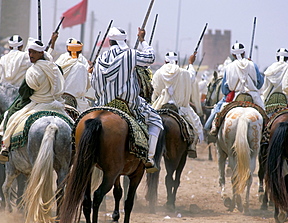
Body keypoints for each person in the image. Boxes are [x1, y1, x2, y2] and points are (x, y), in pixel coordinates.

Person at [90, 26, 163, 173]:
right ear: (124, 41)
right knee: (156, 120)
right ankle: (149, 157)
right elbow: (150, 57)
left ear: (109, 42)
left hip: (102, 103)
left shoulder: (100, 59)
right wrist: (142, 40)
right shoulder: (130, 54)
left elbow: (93, 83)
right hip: (128, 104)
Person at [0, 38, 67, 161]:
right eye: (29, 52)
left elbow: (24, 92)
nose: (31, 55)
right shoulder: (55, 68)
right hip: (56, 103)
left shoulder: (32, 71)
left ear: (41, 53)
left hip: (37, 103)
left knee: (10, 115)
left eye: (34, 52)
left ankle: (5, 146)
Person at [151, 51, 204, 158]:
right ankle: (192, 146)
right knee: (195, 124)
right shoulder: (183, 73)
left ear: (165, 61)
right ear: (176, 61)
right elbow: (192, 77)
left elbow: (155, 90)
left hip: (161, 106)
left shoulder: (158, 73)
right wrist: (190, 64)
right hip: (179, 108)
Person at [204, 42, 264, 135]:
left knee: (218, 110)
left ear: (233, 55)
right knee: (265, 116)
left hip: (235, 97)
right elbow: (259, 84)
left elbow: (224, 90)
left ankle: (212, 126)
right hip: (254, 97)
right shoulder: (253, 65)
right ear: (244, 53)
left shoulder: (228, 68)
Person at [55, 37, 91, 112]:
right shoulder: (82, 66)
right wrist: (89, 73)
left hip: (59, 99)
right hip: (77, 103)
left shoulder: (61, 60)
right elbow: (88, 85)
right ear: (80, 51)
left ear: (67, 49)